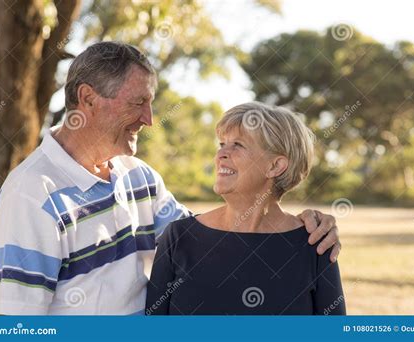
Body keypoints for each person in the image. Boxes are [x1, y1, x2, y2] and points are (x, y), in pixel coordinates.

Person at [0, 42, 341, 315]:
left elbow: (209, 240)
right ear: (88, 99)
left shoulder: (138, 177)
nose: (150, 119)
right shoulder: (31, 195)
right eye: (138, 103)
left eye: (151, 103)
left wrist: (304, 224)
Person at [146, 102, 346, 315]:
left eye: (238, 145)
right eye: (222, 143)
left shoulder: (315, 243)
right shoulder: (178, 237)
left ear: (275, 166)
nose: (221, 153)